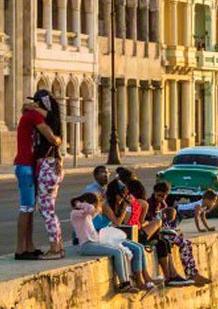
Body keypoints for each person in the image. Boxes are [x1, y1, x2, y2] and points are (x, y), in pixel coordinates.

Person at [70, 193, 151, 293]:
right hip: (86, 245)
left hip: (95, 242)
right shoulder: (75, 214)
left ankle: (127, 282)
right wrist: (77, 203)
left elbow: (94, 211)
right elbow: (90, 209)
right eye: (95, 204)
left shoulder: (87, 215)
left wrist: (99, 200)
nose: (96, 207)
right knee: (117, 252)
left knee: (121, 250)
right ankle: (124, 283)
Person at [14, 90, 61, 261]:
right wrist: (59, 140)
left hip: (28, 166)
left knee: (30, 209)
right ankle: (20, 249)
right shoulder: (35, 116)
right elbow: (52, 138)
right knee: (26, 208)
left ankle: (29, 246)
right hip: (25, 166)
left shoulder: (32, 114)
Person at [34, 92, 65, 260]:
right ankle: (58, 246)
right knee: (49, 209)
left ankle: (54, 248)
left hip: (48, 166)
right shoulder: (54, 120)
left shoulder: (51, 119)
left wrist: (34, 108)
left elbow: (49, 116)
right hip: (52, 166)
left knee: (47, 210)